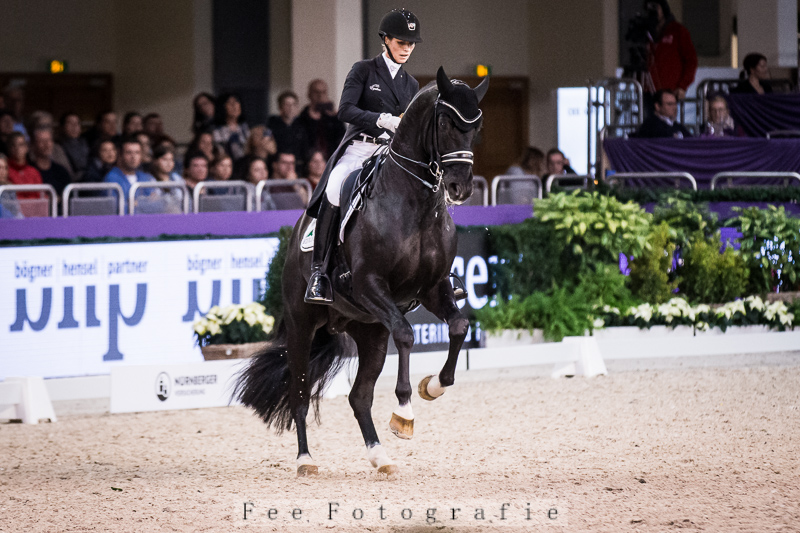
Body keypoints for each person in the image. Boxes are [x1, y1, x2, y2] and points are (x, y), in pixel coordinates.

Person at [304, 8, 421, 304]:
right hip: (361, 146)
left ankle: (437, 273)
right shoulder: (364, 70)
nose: (406, 48)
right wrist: (381, 119)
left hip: (393, 153)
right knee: (334, 188)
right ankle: (319, 273)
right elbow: (345, 110)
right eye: (401, 42)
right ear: (386, 40)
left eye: (410, 44)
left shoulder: (411, 84)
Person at [643, 0, 697, 111]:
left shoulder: (678, 31)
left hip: (670, 91)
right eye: (649, 7)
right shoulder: (644, 32)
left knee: (667, 120)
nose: (652, 11)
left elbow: (691, 61)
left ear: (663, 9)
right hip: (647, 90)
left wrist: (682, 86)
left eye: (655, 7)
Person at [296, 79, 346, 160]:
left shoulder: (334, 119)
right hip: (309, 162)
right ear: (309, 94)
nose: (320, 96)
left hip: (331, 161)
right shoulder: (302, 118)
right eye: (316, 92)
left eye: (324, 92)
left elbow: (342, 140)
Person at [103, 136, 154, 212]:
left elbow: (159, 205)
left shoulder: (145, 177)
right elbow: (117, 209)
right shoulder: (111, 178)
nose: (133, 157)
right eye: (129, 153)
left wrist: (136, 204)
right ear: (120, 155)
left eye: (137, 152)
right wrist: (145, 203)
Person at [267, 90, 308, 174]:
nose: (291, 108)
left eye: (294, 104)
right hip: (276, 168)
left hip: (298, 168)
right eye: (287, 104)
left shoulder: (302, 126)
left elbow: (305, 149)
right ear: (280, 107)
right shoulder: (272, 124)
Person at [29, 127, 72, 198]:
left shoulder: (61, 172)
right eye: (41, 141)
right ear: (33, 145)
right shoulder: (28, 171)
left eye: (49, 140)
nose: (46, 145)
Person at [147, 144, 185, 213]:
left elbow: (186, 201)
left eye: (171, 160)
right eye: (164, 159)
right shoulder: (149, 179)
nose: (169, 163)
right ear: (155, 161)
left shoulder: (177, 178)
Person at [6, 132, 43, 200]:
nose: (17, 148)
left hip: (34, 206)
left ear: (26, 148)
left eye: (21, 145)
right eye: (13, 145)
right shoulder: (5, 171)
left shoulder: (34, 172)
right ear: (9, 148)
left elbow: (40, 196)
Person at [213, 93, 250, 161]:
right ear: (223, 107)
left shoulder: (245, 127)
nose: (234, 106)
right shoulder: (216, 130)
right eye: (230, 103)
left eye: (236, 102)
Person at [58, 112, 90, 179]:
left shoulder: (85, 143)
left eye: (77, 123)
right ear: (62, 127)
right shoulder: (58, 146)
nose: (74, 127)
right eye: (70, 123)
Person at [0, 153, 23, 218]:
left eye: (5, 168)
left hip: (10, 221)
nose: (3, 171)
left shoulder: (10, 188)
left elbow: (16, 211)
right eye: (0, 168)